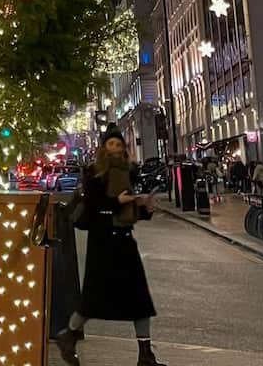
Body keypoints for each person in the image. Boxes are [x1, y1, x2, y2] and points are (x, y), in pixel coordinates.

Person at [55, 131, 164, 366]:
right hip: (102, 242)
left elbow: (132, 209)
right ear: (104, 148)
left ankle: (145, 355)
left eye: (118, 143)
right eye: (111, 143)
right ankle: (69, 335)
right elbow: (95, 208)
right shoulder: (94, 173)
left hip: (124, 240)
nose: (115, 147)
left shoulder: (129, 172)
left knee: (140, 298)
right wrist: (117, 202)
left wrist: (146, 208)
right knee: (93, 299)